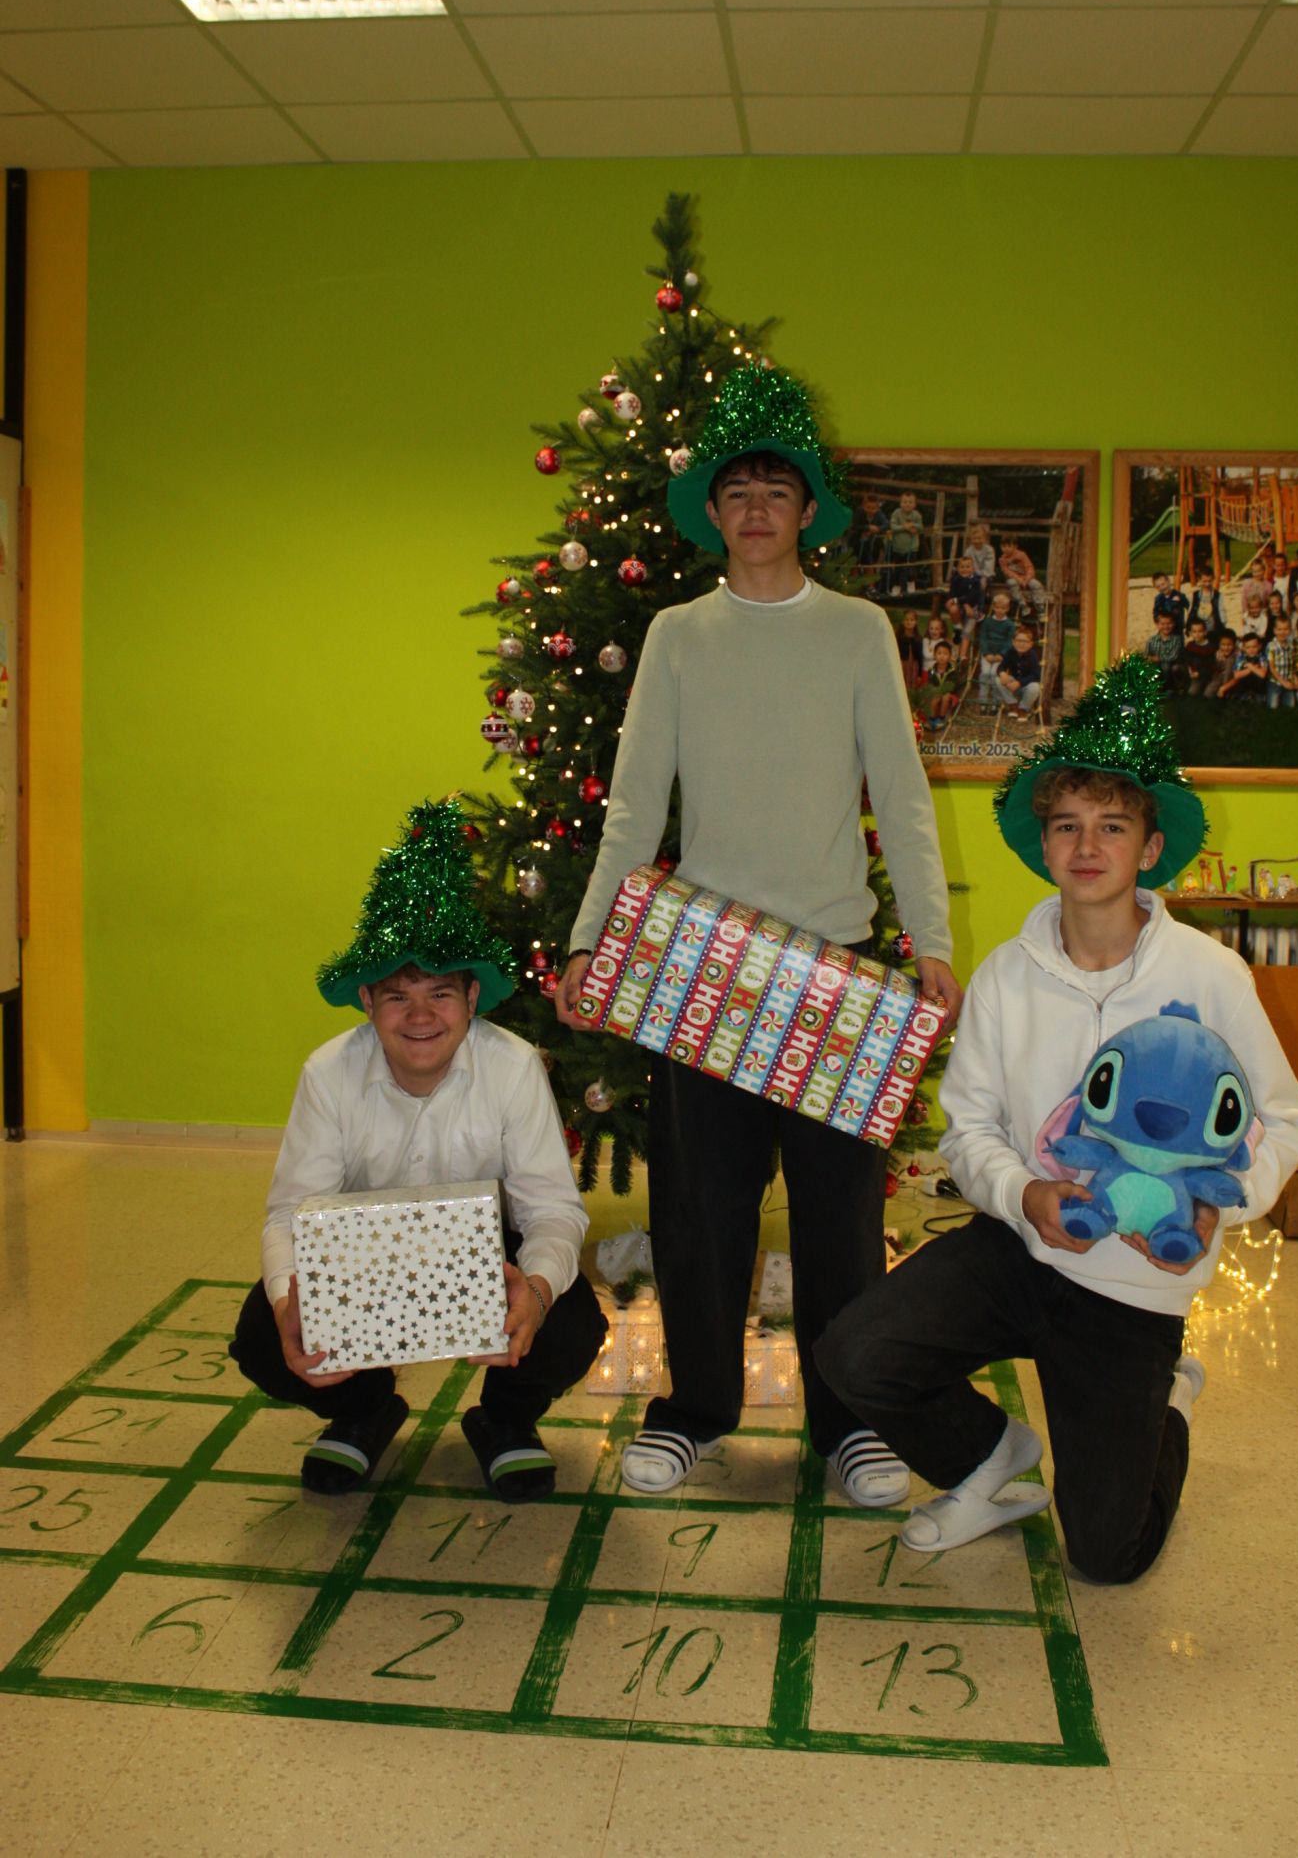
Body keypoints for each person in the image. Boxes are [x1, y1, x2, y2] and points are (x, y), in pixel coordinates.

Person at [815, 656, 1298, 1582]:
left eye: (1112, 826)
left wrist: (1224, 1203)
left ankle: (1167, 1402)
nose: (1087, 846)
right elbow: (968, 1129)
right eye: (1067, 825)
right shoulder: (1007, 976)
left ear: (1150, 848)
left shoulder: (1210, 976)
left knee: (1107, 1555)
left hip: (1135, 1284)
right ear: (1044, 845)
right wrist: (1023, 1194)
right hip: (1022, 1245)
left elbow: (1289, 1119)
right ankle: (988, 1456)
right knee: (854, 1352)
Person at [555, 363, 961, 1507]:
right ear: (713, 510)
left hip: (833, 972)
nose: (754, 507)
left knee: (839, 1224)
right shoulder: (676, 635)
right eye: (735, 489)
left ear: (806, 511)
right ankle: (692, 1411)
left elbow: (902, 794)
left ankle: (850, 1425)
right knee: (697, 1216)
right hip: (701, 971)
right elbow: (635, 804)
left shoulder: (856, 632)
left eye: (775, 489)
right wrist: (590, 943)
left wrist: (927, 939)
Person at [229, 797, 606, 1501]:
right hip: (361, 1252)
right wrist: (287, 1304)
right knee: (262, 1337)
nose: (422, 1016)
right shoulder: (328, 1073)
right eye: (399, 997)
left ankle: (505, 1418)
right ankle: (364, 1408)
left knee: (572, 1323)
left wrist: (536, 1292)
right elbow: (290, 1213)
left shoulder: (513, 1066)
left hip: (490, 1250)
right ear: (367, 1002)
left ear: (473, 997)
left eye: (441, 993)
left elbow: (554, 1209)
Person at [975, 586, 1019, 712]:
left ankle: (996, 702)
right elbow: (983, 638)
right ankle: (983, 702)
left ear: (1007, 609)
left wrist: (1002, 654)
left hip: (1000, 657)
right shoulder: (988, 622)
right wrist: (986, 653)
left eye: (1003, 608)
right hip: (987, 655)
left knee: (995, 676)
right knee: (985, 674)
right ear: (993, 607)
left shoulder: (1009, 624)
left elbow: (1009, 641)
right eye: (998, 608)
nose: (1000, 610)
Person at [995, 623, 1042, 721]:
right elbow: (1001, 666)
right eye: (1019, 640)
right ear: (1013, 642)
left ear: (1031, 644)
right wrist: (1002, 673)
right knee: (998, 679)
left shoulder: (1032, 655)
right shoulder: (1010, 652)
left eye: (1025, 641)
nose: (1022, 644)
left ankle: (1023, 709)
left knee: (1035, 687)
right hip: (1013, 684)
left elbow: (1036, 675)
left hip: (1026, 686)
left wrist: (1019, 683)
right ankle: (1013, 704)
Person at [887, 490, 925, 595]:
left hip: (912, 547)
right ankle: (896, 586)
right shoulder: (896, 513)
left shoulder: (916, 515)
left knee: (911, 568)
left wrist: (913, 525)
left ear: (914, 504)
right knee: (897, 569)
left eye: (910, 502)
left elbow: (921, 527)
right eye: (905, 502)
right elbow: (893, 526)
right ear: (900, 503)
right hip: (898, 547)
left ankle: (911, 584)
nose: (907, 504)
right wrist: (904, 527)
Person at [1144, 609, 1185, 695]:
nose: (1166, 626)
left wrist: (1159, 658)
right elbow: (1147, 654)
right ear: (1157, 624)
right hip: (1156, 664)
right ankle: (1155, 687)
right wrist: (1149, 658)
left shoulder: (1176, 639)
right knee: (1151, 667)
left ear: (1173, 624)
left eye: (1169, 623)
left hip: (1171, 665)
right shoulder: (1152, 640)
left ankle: (1169, 688)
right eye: (1162, 624)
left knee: (1166, 666)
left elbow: (1174, 656)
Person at [1265, 612, 1296, 710]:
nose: (1282, 632)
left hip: (1288, 678)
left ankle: (1283, 695)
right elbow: (1271, 668)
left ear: (1290, 630)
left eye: (1286, 629)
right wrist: (1283, 682)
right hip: (1275, 681)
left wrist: (1294, 678)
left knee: (1291, 705)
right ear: (1274, 630)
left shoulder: (1291, 644)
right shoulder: (1271, 646)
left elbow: (1293, 663)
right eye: (1279, 629)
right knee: (1273, 707)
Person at [1203, 628, 1239, 698]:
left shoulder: (1237, 654)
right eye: (1223, 644)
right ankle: (1220, 690)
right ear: (1219, 644)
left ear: (1234, 644)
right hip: (1220, 676)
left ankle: (1227, 691)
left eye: (1229, 645)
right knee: (1208, 693)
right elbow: (1216, 670)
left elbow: (1238, 674)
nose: (1226, 648)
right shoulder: (1218, 653)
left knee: (1229, 661)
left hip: (1233, 678)